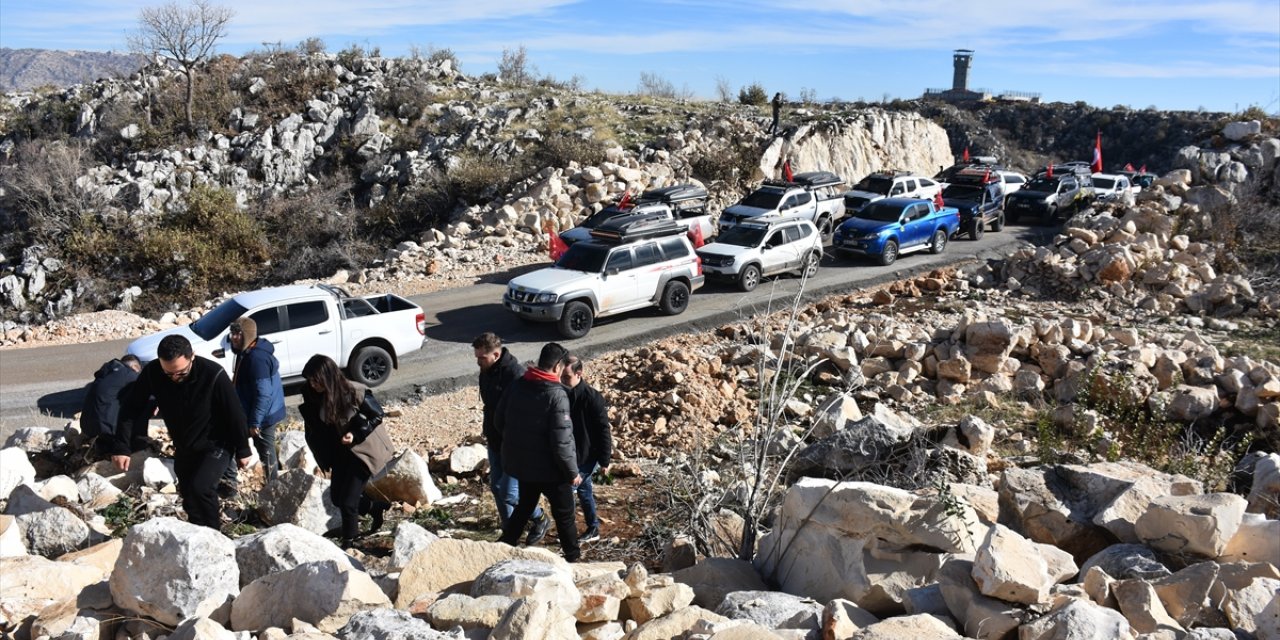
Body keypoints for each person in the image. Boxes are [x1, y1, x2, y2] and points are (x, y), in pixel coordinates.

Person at [116, 335, 251, 529]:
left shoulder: (213, 374)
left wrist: (243, 449)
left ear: (192, 357)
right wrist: (121, 446)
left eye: (180, 373)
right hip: (185, 444)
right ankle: (196, 531)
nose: (175, 378)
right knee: (188, 493)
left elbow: (235, 413)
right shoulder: (153, 373)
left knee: (202, 488)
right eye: (168, 374)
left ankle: (215, 536)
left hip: (217, 442)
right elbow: (130, 408)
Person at [494, 343, 580, 562]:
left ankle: (503, 549)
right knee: (564, 516)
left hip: (525, 466)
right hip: (552, 471)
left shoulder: (518, 384)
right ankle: (573, 559)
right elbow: (562, 442)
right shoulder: (557, 394)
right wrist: (572, 473)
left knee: (524, 507)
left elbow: (498, 421)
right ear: (558, 366)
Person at [300, 354, 393, 549]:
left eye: (315, 380)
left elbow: (377, 415)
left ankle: (351, 541)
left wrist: (355, 433)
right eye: (310, 380)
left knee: (348, 502)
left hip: (363, 452)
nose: (312, 384)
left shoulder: (355, 391)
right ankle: (375, 507)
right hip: (341, 455)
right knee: (337, 497)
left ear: (327, 376)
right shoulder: (316, 397)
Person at [473, 332, 547, 543]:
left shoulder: (516, 375)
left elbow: (528, 414)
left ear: (496, 354)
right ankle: (510, 533)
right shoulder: (486, 371)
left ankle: (539, 517)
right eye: (477, 357)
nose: (478, 362)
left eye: (482, 358)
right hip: (495, 440)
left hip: (514, 444)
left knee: (509, 493)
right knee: (497, 488)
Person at [225, 317, 285, 484]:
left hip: (262, 416)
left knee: (266, 453)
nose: (233, 337)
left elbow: (263, 394)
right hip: (255, 413)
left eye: (238, 333)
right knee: (264, 451)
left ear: (247, 335)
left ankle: (272, 487)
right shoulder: (247, 352)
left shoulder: (256, 359)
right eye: (232, 333)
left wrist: (254, 423)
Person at [561, 355, 612, 543]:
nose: (563, 381)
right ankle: (593, 528)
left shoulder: (592, 398)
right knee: (584, 491)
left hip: (586, 455)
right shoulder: (563, 393)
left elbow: (603, 430)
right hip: (570, 454)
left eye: (566, 377)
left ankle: (569, 533)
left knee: (568, 491)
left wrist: (605, 460)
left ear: (579, 374)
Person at [81, 355, 143, 458]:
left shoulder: (107, 374)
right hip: (107, 430)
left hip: (87, 427)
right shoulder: (128, 374)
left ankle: (103, 451)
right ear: (135, 368)